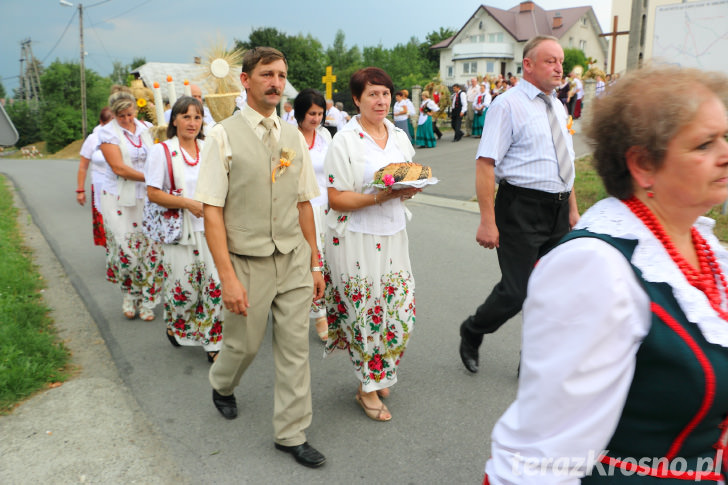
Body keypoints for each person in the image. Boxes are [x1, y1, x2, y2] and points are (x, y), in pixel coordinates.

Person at [482, 65, 728, 484]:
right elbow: (540, 457)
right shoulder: (597, 269)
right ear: (643, 164)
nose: (724, 153)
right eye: (704, 144)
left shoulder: (707, 249)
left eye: (726, 137)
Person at [194, 46, 326, 468]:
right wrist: (227, 276)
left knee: (294, 350)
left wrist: (315, 261)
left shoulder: (293, 137)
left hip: (291, 257)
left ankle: (291, 433)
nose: (276, 82)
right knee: (245, 344)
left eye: (281, 75)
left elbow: (305, 202)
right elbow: (212, 210)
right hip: (246, 259)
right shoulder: (221, 136)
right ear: (245, 81)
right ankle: (223, 382)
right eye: (267, 74)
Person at [458, 35, 579, 374]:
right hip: (519, 209)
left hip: (556, 209)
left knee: (549, 290)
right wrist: (487, 220)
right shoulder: (507, 105)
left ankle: (533, 359)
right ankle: (472, 330)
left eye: (561, 61)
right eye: (550, 61)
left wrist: (571, 209)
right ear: (528, 65)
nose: (559, 67)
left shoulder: (558, 105)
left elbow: (564, 160)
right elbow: (485, 164)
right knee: (517, 291)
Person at [323, 67, 420, 422]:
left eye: (385, 93)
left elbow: (404, 186)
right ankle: (367, 387)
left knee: (400, 308)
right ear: (357, 100)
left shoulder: (398, 136)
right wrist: (380, 197)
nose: (381, 101)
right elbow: (336, 198)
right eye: (372, 95)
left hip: (393, 233)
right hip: (355, 238)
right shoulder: (345, 141)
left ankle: (377, 371)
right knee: (366, 313)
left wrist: (406, 191)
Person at [145, 96, 223, 363]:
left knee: (215, 284)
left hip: (211, 227)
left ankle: (214, 341)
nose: (192, 122)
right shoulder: (162, 151)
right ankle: (175, 322)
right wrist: (186, 203)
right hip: (180, 230)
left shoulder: (209, 147)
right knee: (185, 288)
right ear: (174, 119)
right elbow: (153, 193)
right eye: (186, 116)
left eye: (197, 117)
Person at [98, 86, 163, 321]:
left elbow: (159, 154)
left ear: (136, 109)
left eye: (130, 113)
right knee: (128, 252)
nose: (127, 119)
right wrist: (153, 178)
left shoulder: (147, 129)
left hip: (147, 198)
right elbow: (119, 168)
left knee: (151, 251)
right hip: (119, 198)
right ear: (114, 115)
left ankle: (149, 301)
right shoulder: (107, 133)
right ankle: (129, 295)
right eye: (121, 115)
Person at [294, 88, 333, 341]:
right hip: (301, 208)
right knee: (310, 260)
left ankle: (326, 307)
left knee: (327, 261)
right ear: (300, 113)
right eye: (311, 113)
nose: (316, 119)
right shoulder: (288, 138)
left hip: (327, 206)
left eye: (320, 114)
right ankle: (317, 312)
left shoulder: (326, 136)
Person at [76, 107, 113, 248]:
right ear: (101, 123)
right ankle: (111, 254)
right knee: (105, 223)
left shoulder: (121, 137)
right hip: (100, 186)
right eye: (108, 123)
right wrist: (80, 190)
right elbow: (83, 166)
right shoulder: (92, 139)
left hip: (120, 186)